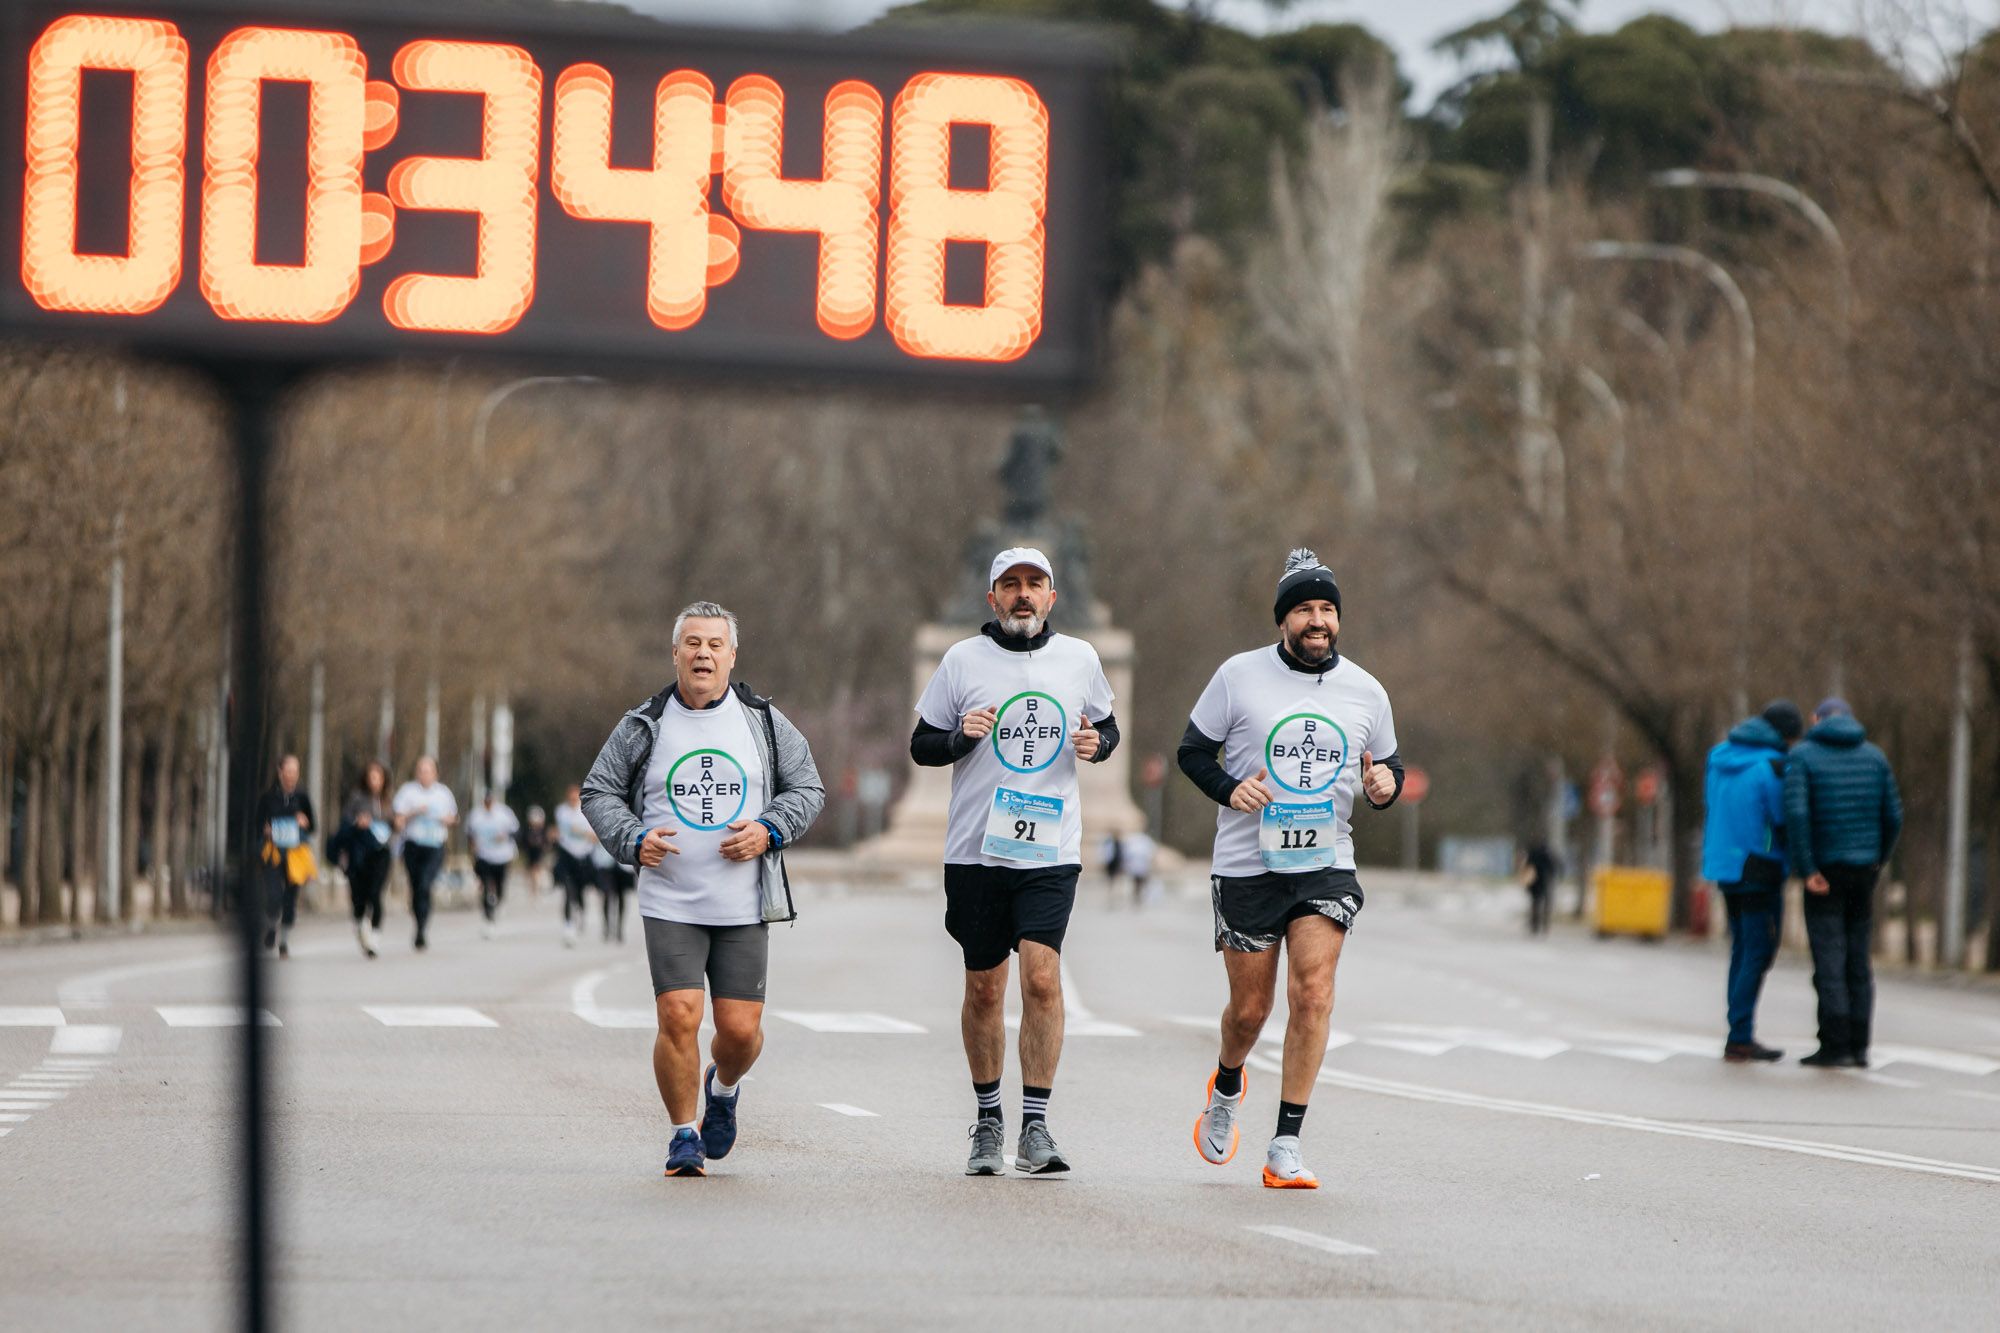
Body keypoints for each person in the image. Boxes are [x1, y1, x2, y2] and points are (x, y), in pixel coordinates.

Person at [1178, 548, 1402, 1189]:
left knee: (1313, 993)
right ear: (1283, 620)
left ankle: (1285, 1145)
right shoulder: (1238, 677)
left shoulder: (1366, 690)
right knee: (1249, 1011)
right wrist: (1230, 790)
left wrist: (1384, 784)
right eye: (1304, 609)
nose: (1317, 620)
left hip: (1326, 862)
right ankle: (1226, 1085)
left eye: (1327, 609)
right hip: (1248, 864)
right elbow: (1192, 751)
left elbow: (1387, 768)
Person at [582, 601, 824, 1179]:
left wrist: (768, 830)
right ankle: (682, 1134)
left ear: (732, 655)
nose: (703, 654)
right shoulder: (644, 724)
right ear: (675, 653)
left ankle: (726, 1086)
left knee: (739, 1032)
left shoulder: (762, 721)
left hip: (743, 902)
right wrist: (632, 838)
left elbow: (808, 789)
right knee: (678, 1015)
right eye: (692, 643)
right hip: (670, 899)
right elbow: (599, 791)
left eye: (715, 645)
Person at [910, 548, 1119, 1177]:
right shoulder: (961, 661)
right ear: (992, 598)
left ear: (1052, 597)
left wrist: (1097, 744)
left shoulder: (1080, 658)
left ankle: (1035, 1124)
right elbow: (922, 745)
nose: (1022, 595)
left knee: (1042, 979)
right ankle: (988, 1118)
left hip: (1051, 849)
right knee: (983, 987)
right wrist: (958, 737)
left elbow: (1106, 728)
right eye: (1010, 585)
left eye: (1034, 585)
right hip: (976, 850)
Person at [1785, 698, 1903, 1069]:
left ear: (1816, 719)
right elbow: (1893, 815)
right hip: (1863, 868)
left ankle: (1835, 1045)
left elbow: (1797, 813)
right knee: (1857, 958)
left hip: (1824, 871)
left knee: (1829, 958)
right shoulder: (1875, 757)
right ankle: (1860, 1044)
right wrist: (1878, 858)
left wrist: (1807, 868)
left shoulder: (1803, 756)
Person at [1701, 699, 1803, 1062]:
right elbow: (1781, 816)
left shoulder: (1718, 759)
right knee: (1759, 948)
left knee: (1742, 946)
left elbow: (1711, 804)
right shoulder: (1771, 767)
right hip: (1758, 864)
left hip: (1724, 863)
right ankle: (1740, 1033)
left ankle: (1738, 1029)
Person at [391, 755, 458, 952]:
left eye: (428, 770)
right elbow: (397, 819)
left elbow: (454, 818)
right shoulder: (407, 792)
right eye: (420, 770)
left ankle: (422, 927)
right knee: (416, 885)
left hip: (435, 846)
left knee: (425, 884)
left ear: (435, 773)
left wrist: (448, 820)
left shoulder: (443, 793)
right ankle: (419, 922)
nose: (424, 774)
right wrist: (414, 812)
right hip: (413, 845)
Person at [255, 754, 316, 959]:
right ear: (280, 772)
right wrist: (266, 830)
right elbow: (257, 825)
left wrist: (304, 822)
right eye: (288, 771)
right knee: (274, 895)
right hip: (273, 852)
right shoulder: (268, 797)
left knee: (290, 898)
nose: (291, 776)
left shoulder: (302, 797)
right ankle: (271, 925)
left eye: (295, 772)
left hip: (296, 854)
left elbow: (313, 826)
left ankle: (284, 941)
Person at [332, 760, 394, 958]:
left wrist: (398, 823)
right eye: (371, 776)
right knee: (359, 897)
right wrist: (358, 822)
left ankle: (374, 936)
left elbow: (394, 825)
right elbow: (344, 824)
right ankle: (360, 923)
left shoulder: (388, 801)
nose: (375, 781)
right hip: (359, 853)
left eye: (379, 777)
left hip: (381, 852)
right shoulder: (356, 799)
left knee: (376, 894)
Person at [467, 791, 520, 939]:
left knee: (499, 886)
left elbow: (516, 832)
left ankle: (498, 902)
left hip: (502, 856)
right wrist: (473, 846)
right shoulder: (476, 815)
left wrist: (505, 836)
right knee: (485, 886)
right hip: (484, 856)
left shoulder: (504, 813)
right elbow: (469, 834)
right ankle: (488, 916)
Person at [553, 784, 598, 947]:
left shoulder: (587, 812)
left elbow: (595, 837)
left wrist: (581, 832)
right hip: (567, 856)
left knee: (580, 892)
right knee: (567, 891)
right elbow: (559, 831)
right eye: (570, 797)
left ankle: (581, 913)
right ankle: (568, 925)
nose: (572, 800)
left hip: (583, 857)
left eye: (575, 797)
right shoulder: (561, 812)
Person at [1521, 841, 1559, 936]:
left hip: (1534, 882)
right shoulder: (1548, 855)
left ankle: (1535, 925)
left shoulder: (1533, 854)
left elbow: (1527, 867)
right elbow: (1554, 867)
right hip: (1545, 881)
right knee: (1546, 904)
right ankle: (1545, 925)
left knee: (1535, 904)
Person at [1121, 828, 1158, 907]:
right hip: (1138, 866)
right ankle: (1138, 897)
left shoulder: (1137, 840)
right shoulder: (1139, 840)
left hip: (1139, 866)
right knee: (1138, 882)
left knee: (1139, 882)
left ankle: (1138, 897)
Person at [522, 805, 550, 900]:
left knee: (537, 870)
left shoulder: (543, 831)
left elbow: (546, 842)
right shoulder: (528, 831)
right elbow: (525, 842)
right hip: (531, 852)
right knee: (532, 871)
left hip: (539, 852)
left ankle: (537, 888)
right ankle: (534, 889)